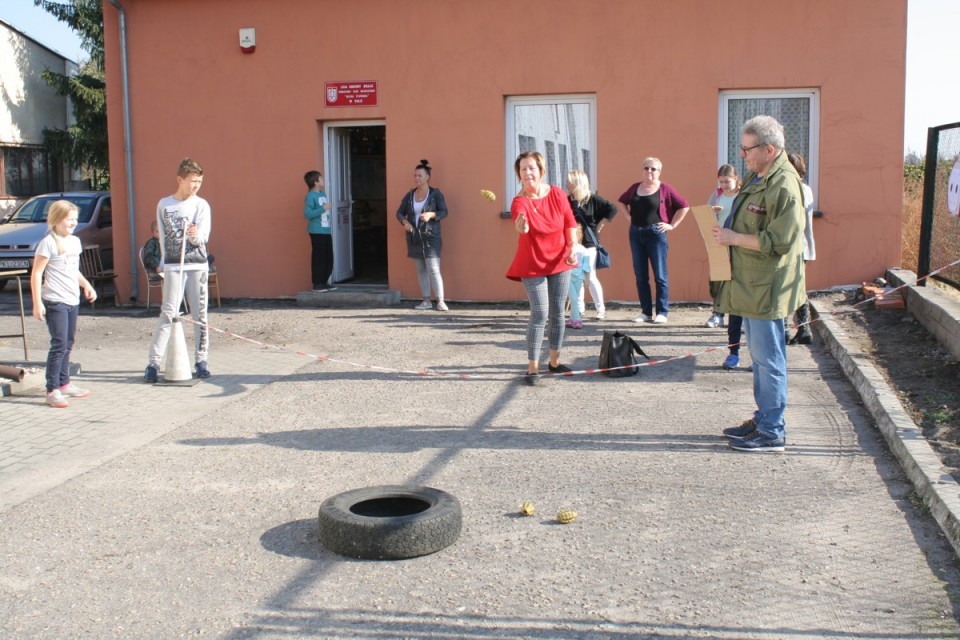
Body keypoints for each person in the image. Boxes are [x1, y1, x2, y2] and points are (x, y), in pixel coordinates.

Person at [711, 115, 807, 452]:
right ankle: (764, 418)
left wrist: (734, 238)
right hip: (752, 285)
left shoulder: (784, 185)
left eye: (748, 149)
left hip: (767, 288)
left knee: (769, 361)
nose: (742, 155)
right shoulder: (760, 174)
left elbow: (781, 241)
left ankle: (772, 431)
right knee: (761, 361)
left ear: (769, 149)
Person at [506, 151, 578, 386]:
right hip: (533, 263)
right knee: (540, 313)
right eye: (523, 169)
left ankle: (554, 361)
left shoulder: (557, 194)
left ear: (541, 171)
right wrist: (522, 225)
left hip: (560, 261)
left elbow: (569, 222)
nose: (528, 173)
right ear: (519, 174)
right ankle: (533, 368)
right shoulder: (519, 201)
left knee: (558, 312)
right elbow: (519, 223)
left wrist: (572, 247)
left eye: (531, 168)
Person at [144, 158, 213, 383]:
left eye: (199, 182)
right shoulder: (164, 204)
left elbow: (204, 236)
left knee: (199, 313)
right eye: (192, 181)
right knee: (169, 312)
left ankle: (201, 360)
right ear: (180, 180)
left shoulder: (201, 205)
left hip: (197, 265)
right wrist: (164, 263)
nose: (196, 186)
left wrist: (195, 235)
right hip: (174, 266)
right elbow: (163, 238)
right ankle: (154, 363)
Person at [30, 200, 97, 408]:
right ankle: (52, 390)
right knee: (59, 344)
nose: (73, 223)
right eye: (69, 219)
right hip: (55, 300)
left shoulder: (75, 241)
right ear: (57, 219)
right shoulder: (48, 243)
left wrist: (86, 285)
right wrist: (37, 303)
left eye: (75, 219)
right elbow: (37, 273)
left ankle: (64, 383)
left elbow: (72, 269)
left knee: (68, 342)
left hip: (72, 299)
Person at [618, 157, 690, 324]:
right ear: (642, 169)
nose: (649, 171)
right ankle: (645, 312)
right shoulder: (635, 187)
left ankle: (662, 312)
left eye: (653, 169)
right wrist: (628, 217)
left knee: (660, 275)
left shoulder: (665, 189)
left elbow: (684, 206)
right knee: (640, 275)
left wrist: (672, 225)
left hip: (655, 234)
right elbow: (622, 201)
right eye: (646, 168)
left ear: (659, 171)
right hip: (636, 233)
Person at [396, 159, 449, 311]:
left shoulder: (435, 194)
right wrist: (405, 223)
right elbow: (399, 213)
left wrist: (431, 215)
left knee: (433, 269)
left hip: (431, 237)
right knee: (420, 269)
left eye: (419, 175)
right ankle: (426, 300)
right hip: (414, 238)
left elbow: (444, 212)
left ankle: (440, 301)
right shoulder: (410, 195)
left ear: (427, 177)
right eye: (415, 175)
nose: (416, 178)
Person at [566, 169, 616, 320]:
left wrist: (601, 223)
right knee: (576, 278)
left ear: (577, 183)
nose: (566, 184)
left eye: (569, 181)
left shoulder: (592, 199)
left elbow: (612, 209)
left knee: (590, 277)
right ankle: (579, 309)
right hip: (574, 243)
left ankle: (601, 310)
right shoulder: (568, 200)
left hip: (589, 243)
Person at [787, 152, 817, 345]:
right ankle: (803, 328)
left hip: (794, 245)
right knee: (797, 286)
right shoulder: (806, 189)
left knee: (785, 286)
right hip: (802, 245)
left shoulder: (795, 188)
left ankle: (786, 329)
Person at [303, 170, 335, 291]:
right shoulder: (310, 196)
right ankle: (317, 283)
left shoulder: (322, 193)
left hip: (326, 230)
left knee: (328, 256)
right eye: (321, 179)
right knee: (319, 257)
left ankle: (324, 281)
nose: (323, 180)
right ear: (316, 182)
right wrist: (323, 208)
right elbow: (307, 214)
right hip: (316, 231)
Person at [565, 224, 590, 330]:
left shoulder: (583, 250)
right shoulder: (565, 248)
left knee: (576, 298)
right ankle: (577, 320)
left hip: (579, 278)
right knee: (574, 298)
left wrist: (587, 279)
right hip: (568, 277)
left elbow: (587, 266)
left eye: (574, 234)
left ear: (579, 236)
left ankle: (572, 319)